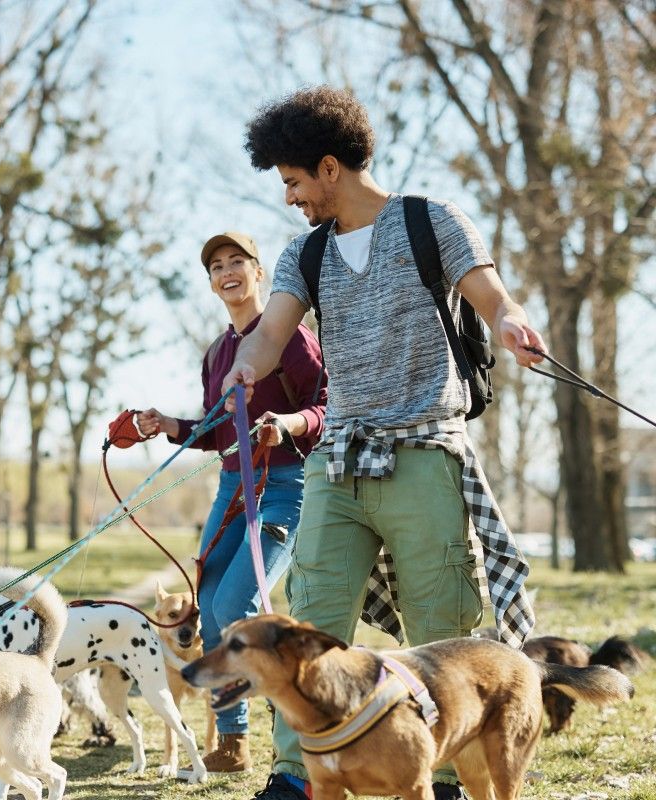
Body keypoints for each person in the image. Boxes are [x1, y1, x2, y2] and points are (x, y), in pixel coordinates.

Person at [221, 86, 547, 800]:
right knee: (306, 616)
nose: (291, 198)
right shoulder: (304, 254)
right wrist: (249, 365)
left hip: (424, 452)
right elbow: (273, 333)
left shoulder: (433, 223)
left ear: (330, 166)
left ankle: (445, 771)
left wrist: (512, 323)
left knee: (442, 622)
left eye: (294, 181)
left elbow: (491, 295)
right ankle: (294, 774)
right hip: (339, 462)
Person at [137, 231, 327, 775]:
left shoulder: (292, 339)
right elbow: (217, 429)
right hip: (229, 489)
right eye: (216, 266)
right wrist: (169, 426)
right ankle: (232, 742)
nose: (227, 272)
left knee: (234, 608)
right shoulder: (218, 354)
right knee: (210, 603)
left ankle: (287, 727)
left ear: (259, 271)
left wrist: (283, 427)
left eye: (237, 261)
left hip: (285, 487)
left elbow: (324, 409)